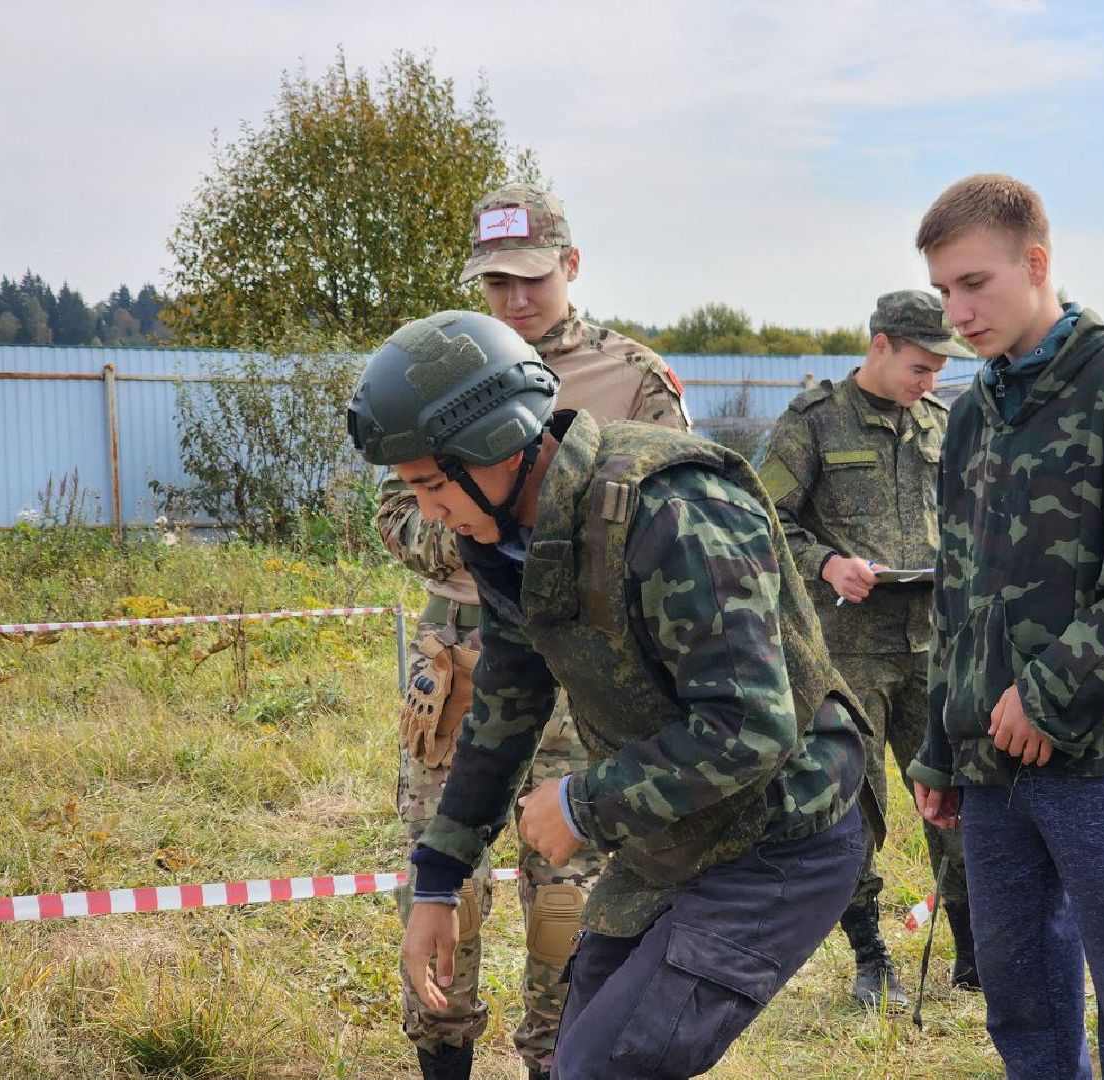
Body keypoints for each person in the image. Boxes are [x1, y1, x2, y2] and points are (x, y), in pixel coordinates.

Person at [348, 309, 880, 1080]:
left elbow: (751, 725)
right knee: (579, 1049)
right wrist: (439, 879)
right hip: (675, 834)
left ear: (498, 445)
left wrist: (580, 805)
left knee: (605, 1065)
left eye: (431, 484)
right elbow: (505, 706)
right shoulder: (510, 539)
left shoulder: (674, 512)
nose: (427, 513)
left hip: (782, 833)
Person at [374, 182, 687, 1080]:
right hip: (465, 658)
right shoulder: (435, 371)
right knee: (446, 887)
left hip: (586, 669)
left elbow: (674, 516)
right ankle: (443, 1055)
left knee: (569, 901)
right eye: (495, 282)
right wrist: (485, 531)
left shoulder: (634, 379)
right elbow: (396, 514)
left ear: (571, 266)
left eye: (532, 279)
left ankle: (560, 1058)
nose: (514, 299)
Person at [906, 173, 1104, 1078]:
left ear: (1035, 264)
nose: (956, 313)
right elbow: (957, 598)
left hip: (1102, 757)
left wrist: (1047, 699)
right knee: (1023, 1007)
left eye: (974, 283)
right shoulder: (972, 415)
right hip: (991, 767)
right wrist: (940, 748)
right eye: (942, 290)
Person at [756, 290, 976, 1008]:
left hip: (935, 646)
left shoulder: (942, 423)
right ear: (879, 346)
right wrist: (827, 565)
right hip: (847, 653)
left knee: (959, 793)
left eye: (939, 369)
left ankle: (974, 951)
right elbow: (763, 521)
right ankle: (870, 956)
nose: (930, 381)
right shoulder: (814, 422)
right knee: (853, 805)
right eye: (919, 366)